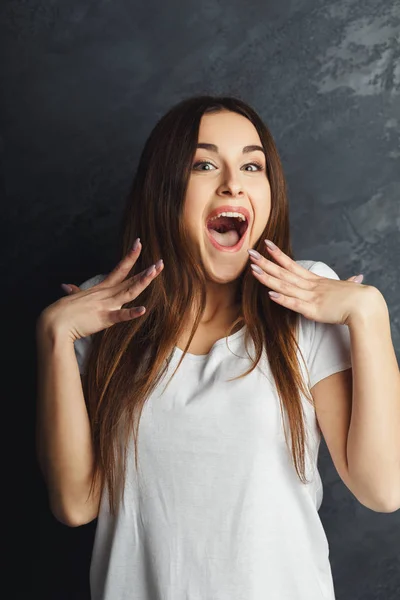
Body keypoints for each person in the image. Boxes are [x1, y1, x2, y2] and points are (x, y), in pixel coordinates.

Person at [36, 95, 357, 600]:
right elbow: (77, 503)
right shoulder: (105, 316)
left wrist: (370, 312)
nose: (233, 182)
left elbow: (385, 488)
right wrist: (54, 337)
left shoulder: (304, 302)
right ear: (165, 188)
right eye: (205, 164)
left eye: (253, 165)